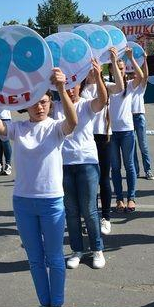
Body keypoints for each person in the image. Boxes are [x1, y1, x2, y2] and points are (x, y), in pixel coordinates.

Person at [0, 64, 77, 307]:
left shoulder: (56, 128)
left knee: (54, 258)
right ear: (26, 105)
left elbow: (73, 122)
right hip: (23, 203)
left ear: (50, 103)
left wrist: (62, 88)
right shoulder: (18, 129)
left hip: (52, 202)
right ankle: (43, 305)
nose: (39, 108)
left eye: (44, 102)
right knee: (35, 259)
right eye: (35, 104)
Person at [56, 58, 108, 270]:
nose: (70, 91)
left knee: (89, 209)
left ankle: (97, 249)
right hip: (64, 165)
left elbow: (103, 100)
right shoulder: (56, 107)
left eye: (73, 86)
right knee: (71, 211)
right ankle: (77, 250)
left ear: (80, 85)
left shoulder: (86, 105)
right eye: (66, 87)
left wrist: (99, 76)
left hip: (87, 162)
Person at [81, 48, 124, 236]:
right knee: (87, 182)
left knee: (103, 178)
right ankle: (90, 217)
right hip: (84, 138)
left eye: (95, 67)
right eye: (89, 67)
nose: (92, 70)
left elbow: (121, 88)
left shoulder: (105, 85)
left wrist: (113, 62)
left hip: (103, 136)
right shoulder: (79, 88)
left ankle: (105, 217)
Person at [109, 47, 143, 212]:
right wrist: (113, 60)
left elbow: (141, 76)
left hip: (127, 131)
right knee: (115, 168)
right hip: (111, 133)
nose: (120, 71)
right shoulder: (109, 86)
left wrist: (131, 58)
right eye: (116, 67)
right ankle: (119, 200)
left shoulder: (129, 85)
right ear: (111, 70)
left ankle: (131, 198)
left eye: (122, 68)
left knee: (129, 165)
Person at [130, 52, 154, 180]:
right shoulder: (127, 87)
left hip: (139, 117)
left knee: (143, 145)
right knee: (131, 147)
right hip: (128, 118)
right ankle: (136, 171)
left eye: (136, 73)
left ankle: (148, 170)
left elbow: (146, 75)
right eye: (133, 73)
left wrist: (145, 59)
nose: (135, 76)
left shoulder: (140, 87)